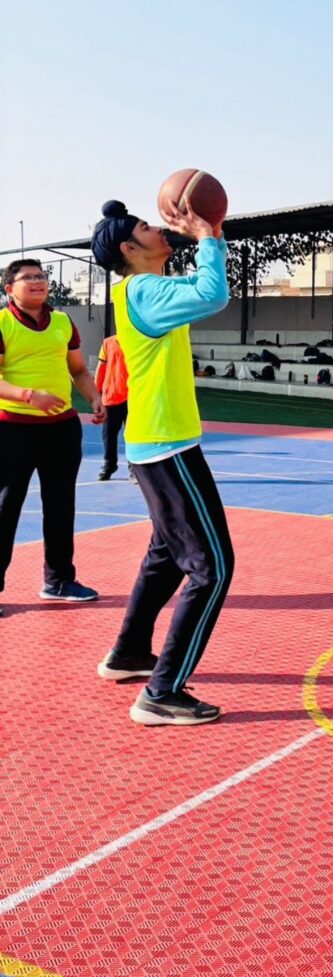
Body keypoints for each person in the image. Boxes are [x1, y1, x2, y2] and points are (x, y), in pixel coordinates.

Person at [90, 198, 232, 726]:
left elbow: (201, 288)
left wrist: (210, 232)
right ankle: (162, 692)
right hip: (168, 448)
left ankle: (129, 653)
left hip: (156, 442)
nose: (159, 228)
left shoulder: (140, 289)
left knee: (166, 556)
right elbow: (213, 293)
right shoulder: (145, 290)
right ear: (130, 248)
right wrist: (207, 236)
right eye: (148, 227)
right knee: (213, 569)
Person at [0, 259, 104, 617]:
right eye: (27, 277)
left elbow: (78, 370)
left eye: (41, 276)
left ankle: (59, 580)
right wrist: (29, 396)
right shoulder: (2, 323)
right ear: (9, 288)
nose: (37, 281)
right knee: (5, 508)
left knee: (61, 505)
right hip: (11, 429)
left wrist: (94, 397)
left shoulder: (62, 322)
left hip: (61, 428)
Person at [94, 334, 135, 483]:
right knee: (108, 434)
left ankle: (134, 470)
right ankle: (109, 465)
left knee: (132, 436)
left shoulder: (137, 340)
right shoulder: (108, 343)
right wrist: (95, 395)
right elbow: (100, 369)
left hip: (133, 398)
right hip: (111, 397)